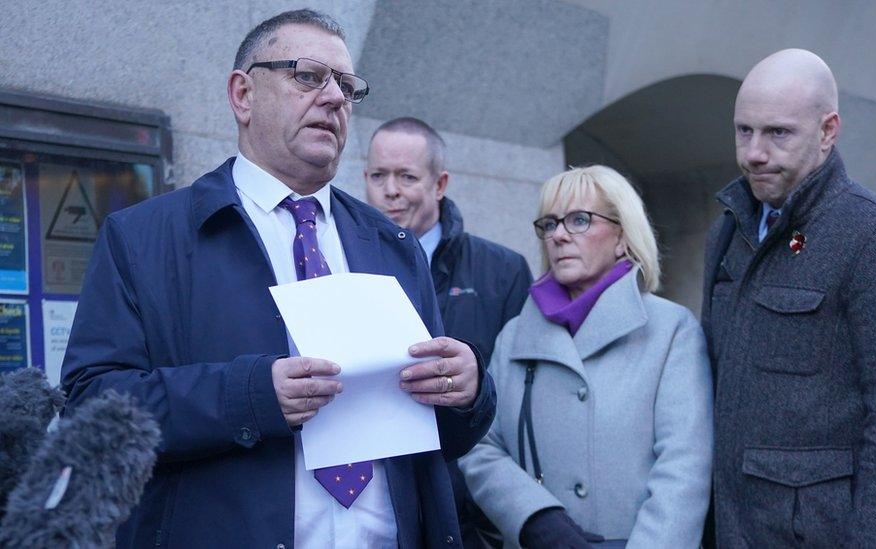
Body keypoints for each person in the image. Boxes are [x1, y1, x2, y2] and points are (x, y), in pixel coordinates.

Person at [59, 9, 495, 549]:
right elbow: (92, 409)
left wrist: (469, 391)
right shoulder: (145, 238)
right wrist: (248, 396)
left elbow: (439, 437)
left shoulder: (394, 246)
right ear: (243, 95)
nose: (335, 97)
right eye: (308, 76)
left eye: (347, 86)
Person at [701, 48, 876, 546]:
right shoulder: (725, 234)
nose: (754, 153)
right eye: (744, 130)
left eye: (778, 133)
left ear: (828, 131)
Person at [459, 165, 713, 547]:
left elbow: (684, 468)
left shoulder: (671, 330)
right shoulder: (515, 336)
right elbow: (482, 447)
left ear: (622, 237)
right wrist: (534, 519)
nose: (559, 235)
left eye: (579, 220)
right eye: (550, 223)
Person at [364, 117, 533, 547]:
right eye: (378, 175)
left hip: (472, 510)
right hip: (377, 502)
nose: (391, 190)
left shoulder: (503, 270)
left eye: (406, 176)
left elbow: (517, 401)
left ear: (440, 184)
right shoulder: (344, 264)